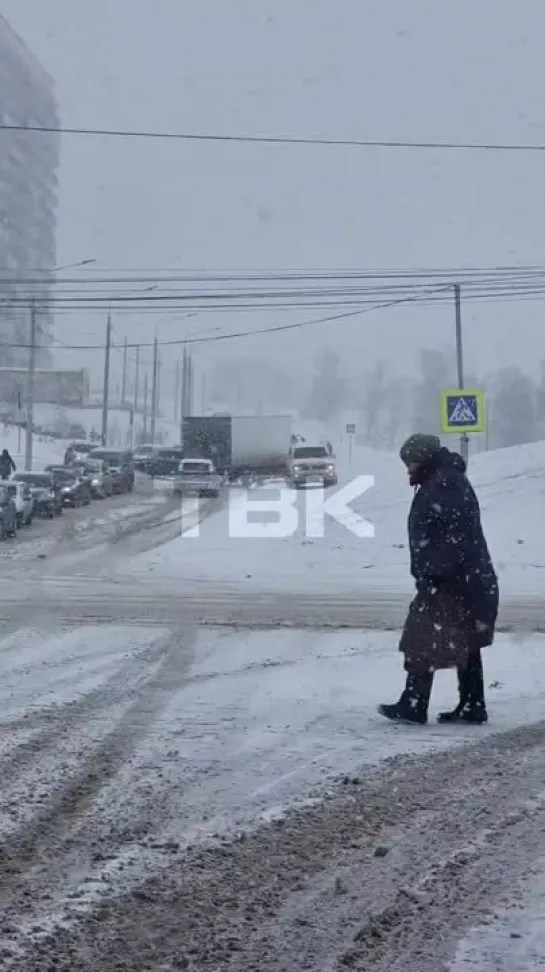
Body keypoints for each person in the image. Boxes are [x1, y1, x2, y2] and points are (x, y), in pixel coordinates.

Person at [379, 433, 499, 726]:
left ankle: (414, 704)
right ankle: (471, 704)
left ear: (426, 459)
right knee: (464, 640)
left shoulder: (444, 484)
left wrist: (434, 574)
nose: (408, 469)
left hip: (451, 581)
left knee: (421, 638)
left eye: (412, 462)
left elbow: (456, 538)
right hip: (465, 579)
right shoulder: (445, 480)